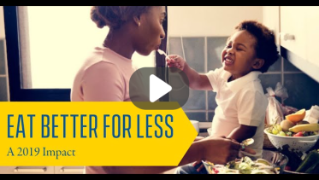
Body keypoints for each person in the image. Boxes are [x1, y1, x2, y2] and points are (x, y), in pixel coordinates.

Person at [70, 6, 255, 174]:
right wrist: (202, 150)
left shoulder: (123, 65)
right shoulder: (103, 69)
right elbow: (115, 164)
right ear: (137, 17)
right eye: (160, 20)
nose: (162, 33)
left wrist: (205, 143)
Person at [167, 20, 279, 174]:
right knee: (182, 171)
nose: (230, 51)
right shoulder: (224, 74)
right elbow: (198, 82)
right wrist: (184, 68)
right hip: (217, 156)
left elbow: (246, 130)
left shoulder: (251, 90)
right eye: (229, 45)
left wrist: (215, 148)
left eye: (239, 48)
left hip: (238, 163)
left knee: (184, 172)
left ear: (257, 63)